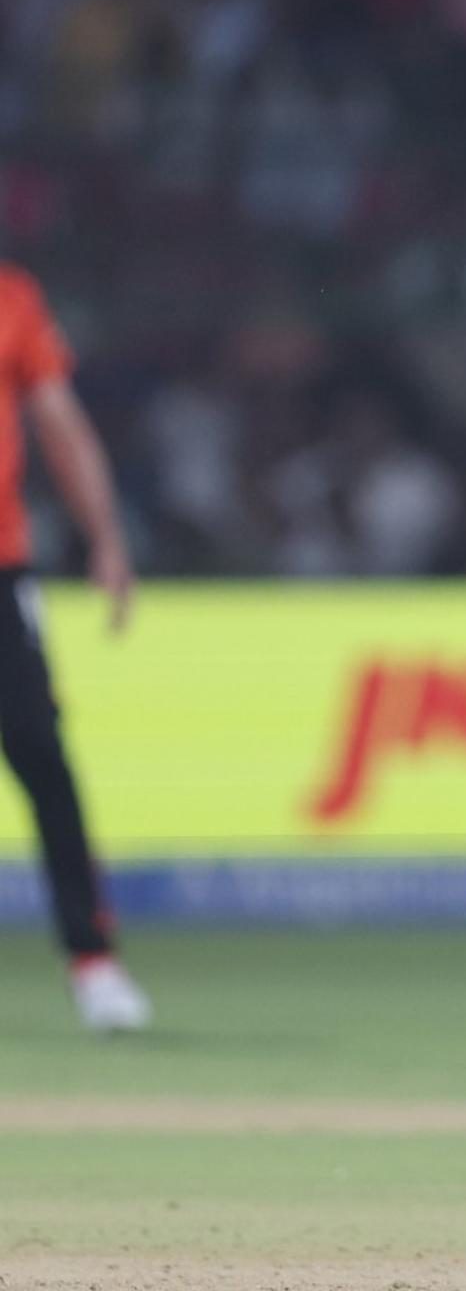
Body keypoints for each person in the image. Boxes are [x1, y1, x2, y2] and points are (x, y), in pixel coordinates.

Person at [0, 263, 149, 1033]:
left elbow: (59, 421)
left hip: (0, 571)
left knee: (40, 754)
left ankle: (92, 959)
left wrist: (106, 538)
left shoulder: (12, 299)